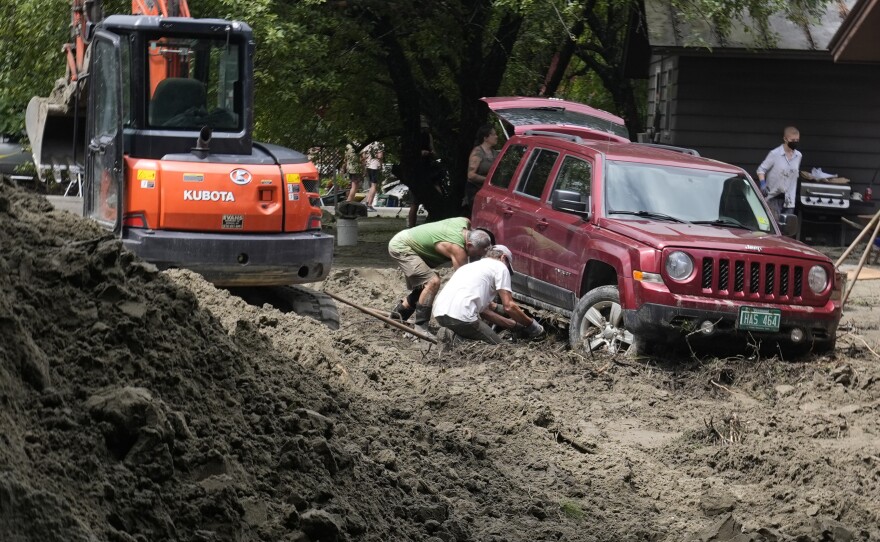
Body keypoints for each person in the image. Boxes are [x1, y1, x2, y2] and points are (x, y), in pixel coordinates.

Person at [388, 216, 492, 336]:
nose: (477, 258)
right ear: (468, 245)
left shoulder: (463, 222)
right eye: (477, 254)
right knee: (433, 282)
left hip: (408, 240)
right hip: (402, 246)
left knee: (424, 288)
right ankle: (421, 328)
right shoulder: (457, 249)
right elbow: (464, 280)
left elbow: (466, 219)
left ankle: (396, 317)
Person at [433, 245, 544, 345]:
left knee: (475, 333)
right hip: (462, 317)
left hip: (439, 314)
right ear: (503, 258)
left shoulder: (469, 267)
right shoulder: (500, 267)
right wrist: (532, 325)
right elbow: (509, 306)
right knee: (499, 347)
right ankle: (456, 340)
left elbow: (485, 313)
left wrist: (513, 325)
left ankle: (453, 335)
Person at [757, 126, 801, 219]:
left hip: (789, 200)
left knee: (787, 228)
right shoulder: (775, 154)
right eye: (792, 140)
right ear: (785, 139)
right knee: (775, 226)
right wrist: (762, 184)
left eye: (797, 140)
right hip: (773, 197)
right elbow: (761, 169)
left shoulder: (798, 156)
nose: (795, 142)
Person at [463, 123, 499, 217]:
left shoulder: (495, 153)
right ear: (485, 137)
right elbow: (471, 175)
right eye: (493, 134)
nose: (496, 137)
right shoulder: (477, 152)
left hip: (490, 192)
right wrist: (488, 180)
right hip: (475, 191)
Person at [409, 117, 436, 228]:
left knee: (431, 198)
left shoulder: (428, 135)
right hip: (416, 171)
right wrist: (420, 153)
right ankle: (411, 226)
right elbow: (409, 153)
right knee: (414, 203)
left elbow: (432, 149)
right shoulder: (411, 137)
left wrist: (432, 152)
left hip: (427, 168)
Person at [361, 141, 384, 212]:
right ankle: (370, 204)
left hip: (368, 166)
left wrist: (364, 166)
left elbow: (363, 156)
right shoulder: (380, 144)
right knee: (374, 186)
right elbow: (380, 156)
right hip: (375, 166)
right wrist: (381, 164)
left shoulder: (369, 143)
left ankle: (367, 202)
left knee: (371, 186)